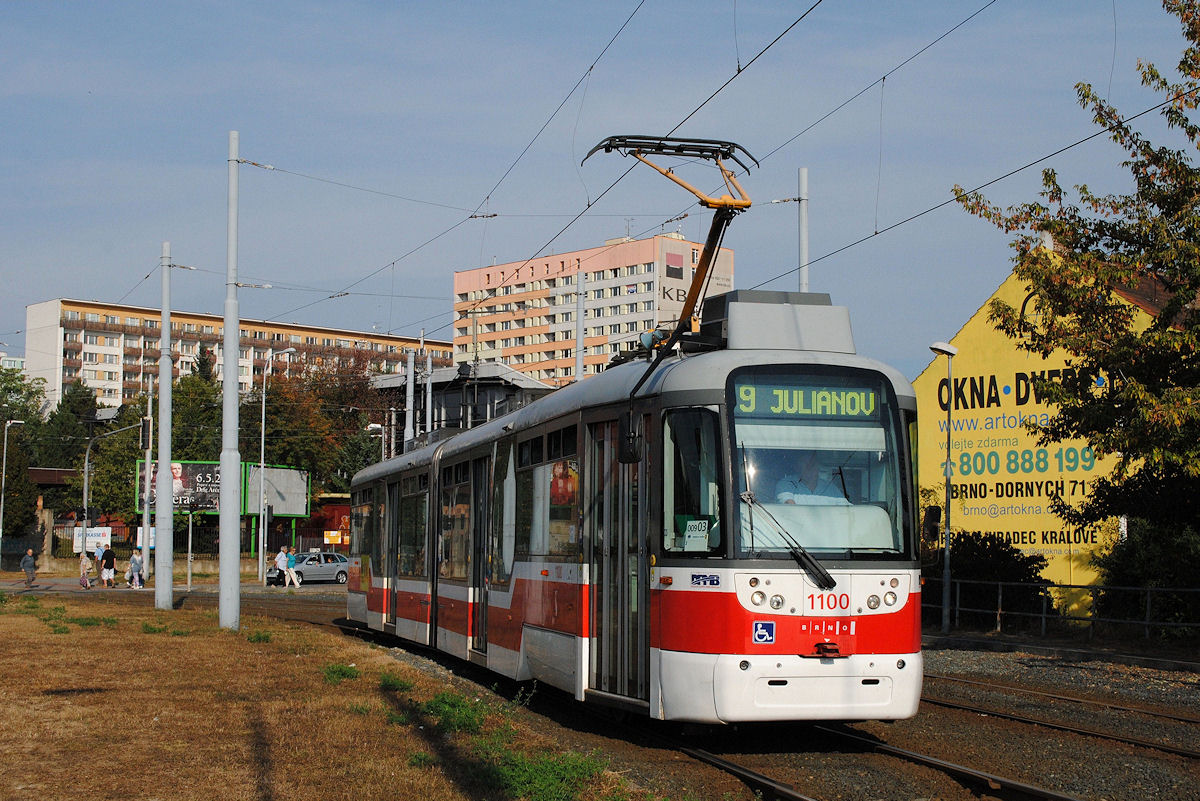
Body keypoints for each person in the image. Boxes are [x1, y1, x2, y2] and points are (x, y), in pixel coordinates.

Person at [774, 451, 847, 505]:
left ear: (818, 467)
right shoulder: (787, 484)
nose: (809, 467)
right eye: (805, 464)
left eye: (812, 464)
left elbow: (847, 508)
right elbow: (789, 505)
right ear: (797, 467)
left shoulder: (830, 488)